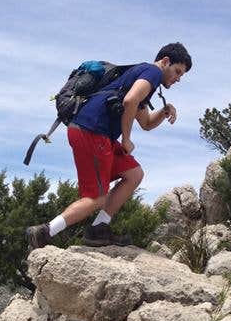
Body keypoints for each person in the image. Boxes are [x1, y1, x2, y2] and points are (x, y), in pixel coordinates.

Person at [26, 42, 192, 249]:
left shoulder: (142, 76)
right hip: (92, 131)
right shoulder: (152, 72)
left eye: (181, 76)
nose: (177, 79)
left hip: (96, 133)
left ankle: (99, 228)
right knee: (96, 198)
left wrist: (164, 110)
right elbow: (130, 101)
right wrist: (126, 139)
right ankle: (44, 231)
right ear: (165, 62)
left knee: (134, 174)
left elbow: (147, 122)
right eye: (177, 72)